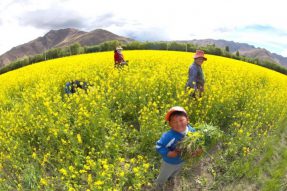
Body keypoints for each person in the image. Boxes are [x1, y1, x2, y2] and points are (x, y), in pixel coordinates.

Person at [155, 106, 200, 190]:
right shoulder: (169, 136)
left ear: (187, 120)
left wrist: (195, 151)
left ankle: (171, 178)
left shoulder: (192, 131)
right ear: (170, 124)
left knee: (176, 171)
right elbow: (158, 146)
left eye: (181, 120)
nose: (178, 124)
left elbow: (195, 142)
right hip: (169, 162)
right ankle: (159, 185)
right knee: (164, 175)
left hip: (181, 160)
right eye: (174, 122)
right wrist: (168, 153)